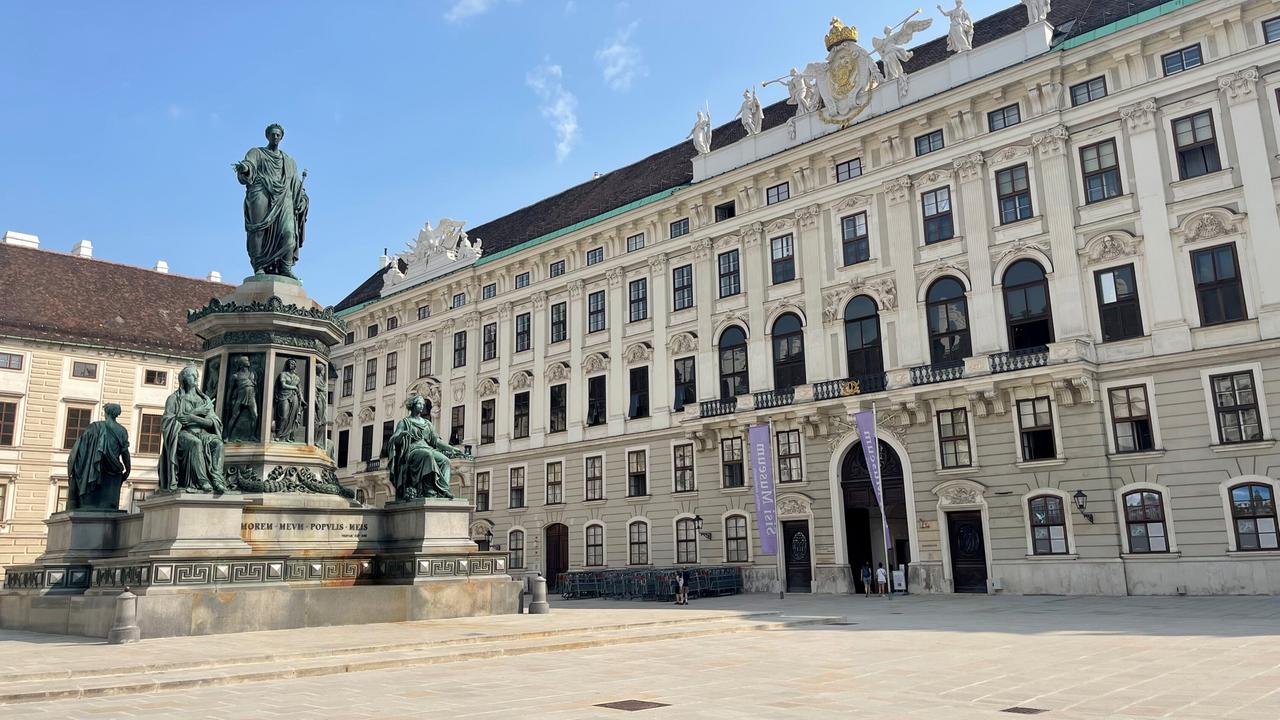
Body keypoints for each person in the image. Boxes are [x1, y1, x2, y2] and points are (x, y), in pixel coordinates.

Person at [234, 123, 309, 279]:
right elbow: (249, 164)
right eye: (273, 134)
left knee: (289, 232)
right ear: (267, 136)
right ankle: (259, 265)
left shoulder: (289, 161)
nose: (275, 137)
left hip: (284, 198)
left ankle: (285, 267)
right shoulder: (257, 152)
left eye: (278, 135)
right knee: (258, 229)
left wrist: (302, 198)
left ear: (281, 137)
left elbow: (295, 183)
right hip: (262, 191)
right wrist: (245, 168)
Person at [386, 395, 470, 501]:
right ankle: (428, 489)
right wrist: (401, 435)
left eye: (422, 404)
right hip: (413, 450)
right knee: (428, 456)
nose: (422, 406)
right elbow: (394, 439)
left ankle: (443, 490)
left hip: (426, 448)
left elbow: (436, 441)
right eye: (419, 404)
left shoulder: (427, 423)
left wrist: (451, 448)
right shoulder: (404, 422)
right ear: (412, 405)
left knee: (445, 461)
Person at [159, 366, 226, 493]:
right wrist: (196, 412)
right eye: (191, 375)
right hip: (183, 434)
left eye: (196, 375)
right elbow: (168, 422)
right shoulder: (174, 399)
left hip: (202, 432)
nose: (196, 378)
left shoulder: (204, 399)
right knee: (196, 443)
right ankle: (203, 481)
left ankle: (217, 479)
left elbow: (213, 422)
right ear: (184, 378)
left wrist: (193, 418)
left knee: (217, 443)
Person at [66, 402, 131, 510]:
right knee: (107, 505)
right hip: (113, 469)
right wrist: (128, 469)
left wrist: (76, 459)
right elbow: (125, 452)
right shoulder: (122, 430)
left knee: (91, 502)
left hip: (96, 467)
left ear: (106, 413)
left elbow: (82, 446)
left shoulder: (95, 427)